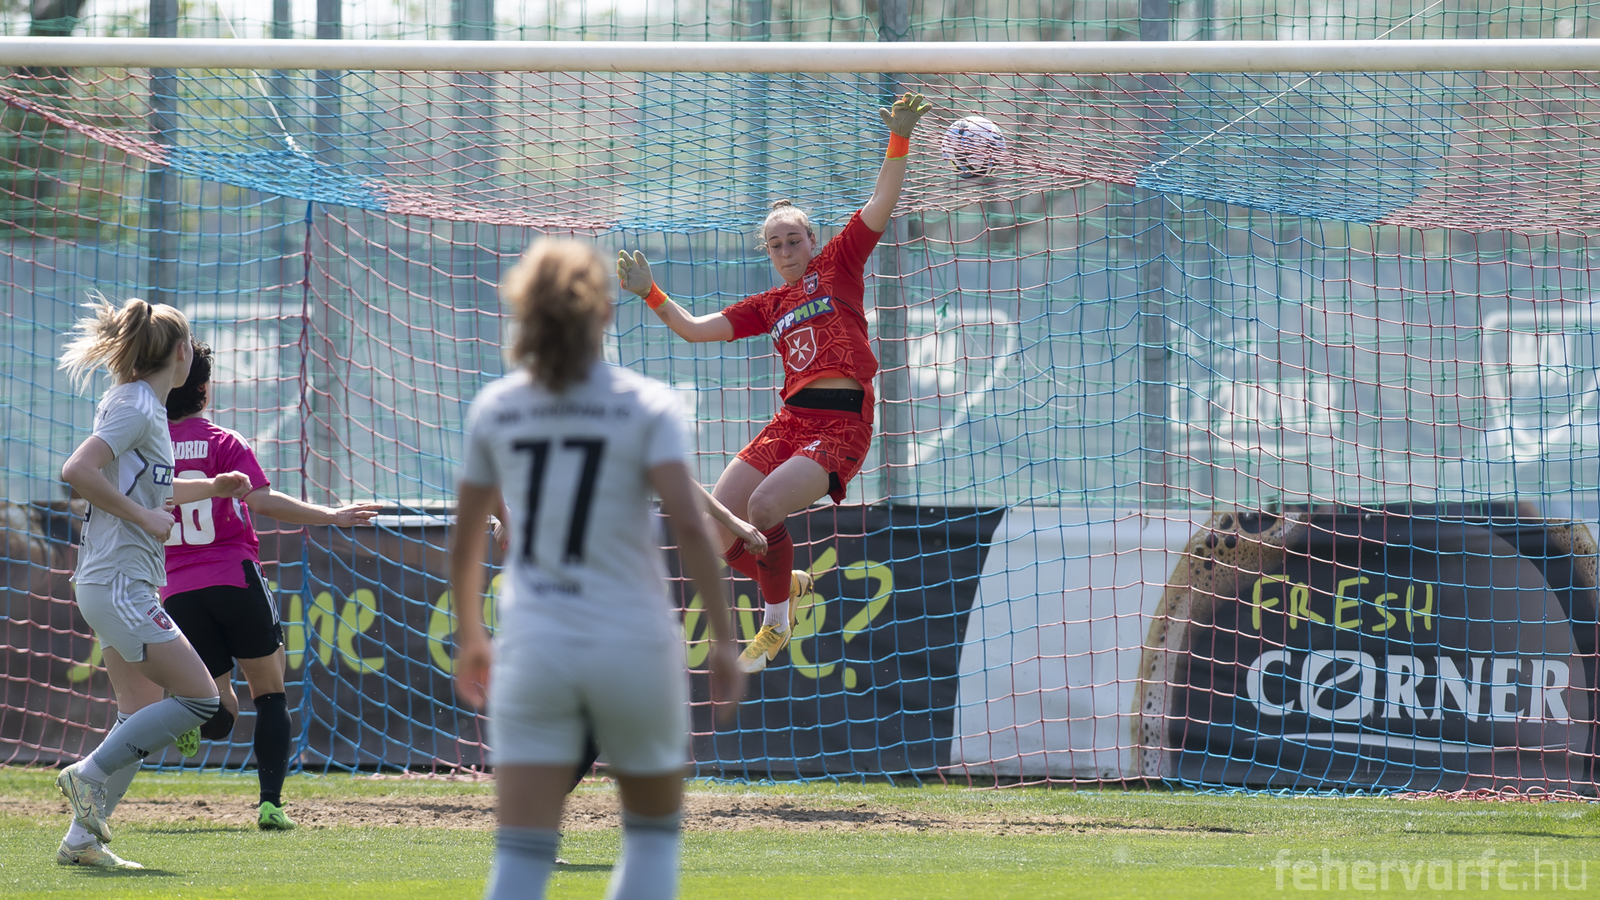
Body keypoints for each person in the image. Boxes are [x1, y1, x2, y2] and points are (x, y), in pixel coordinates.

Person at [451, 239, 743, 900]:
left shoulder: (497, 408)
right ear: (606, 312)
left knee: (520, 860)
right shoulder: (647, 404)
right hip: (633, 643)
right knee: (651, 847)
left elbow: (467, 540)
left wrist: (472, 636)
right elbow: (691, 526)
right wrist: (724, 640)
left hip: (535, 646)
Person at [617, 91, 932, 673]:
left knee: (762, 507)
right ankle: (787, 579)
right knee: (714, 529)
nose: (786, 250)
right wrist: (650, 293)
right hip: (791, 423)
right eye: (776, 244)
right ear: (768, 252)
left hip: (841, 426)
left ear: (813, 240)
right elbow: (693, 329)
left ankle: (776, 622)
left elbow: (881, 201)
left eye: (794, 239)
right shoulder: (768, 304)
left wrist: (900, 137)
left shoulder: (839, 264)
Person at [53, 296, 252, 869]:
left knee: (137, 712)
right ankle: (86, 775)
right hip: (118, 582)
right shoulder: (137, 405)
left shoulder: (143, 406)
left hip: (117, 582)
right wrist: (144, 518)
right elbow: (77, 470)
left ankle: (82, 842)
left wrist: (211, 487)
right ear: (182, 351)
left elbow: (151, 489)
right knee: (201, 698)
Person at [161, 339, 381, 830]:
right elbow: (262, 501)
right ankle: (270, 805)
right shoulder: (223, 441)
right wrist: (332, 515)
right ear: (203, 389)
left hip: (176, 588)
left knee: (218, 706)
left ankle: (187, 715)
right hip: (233, 577)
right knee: (270, 693)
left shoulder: (147, 447)